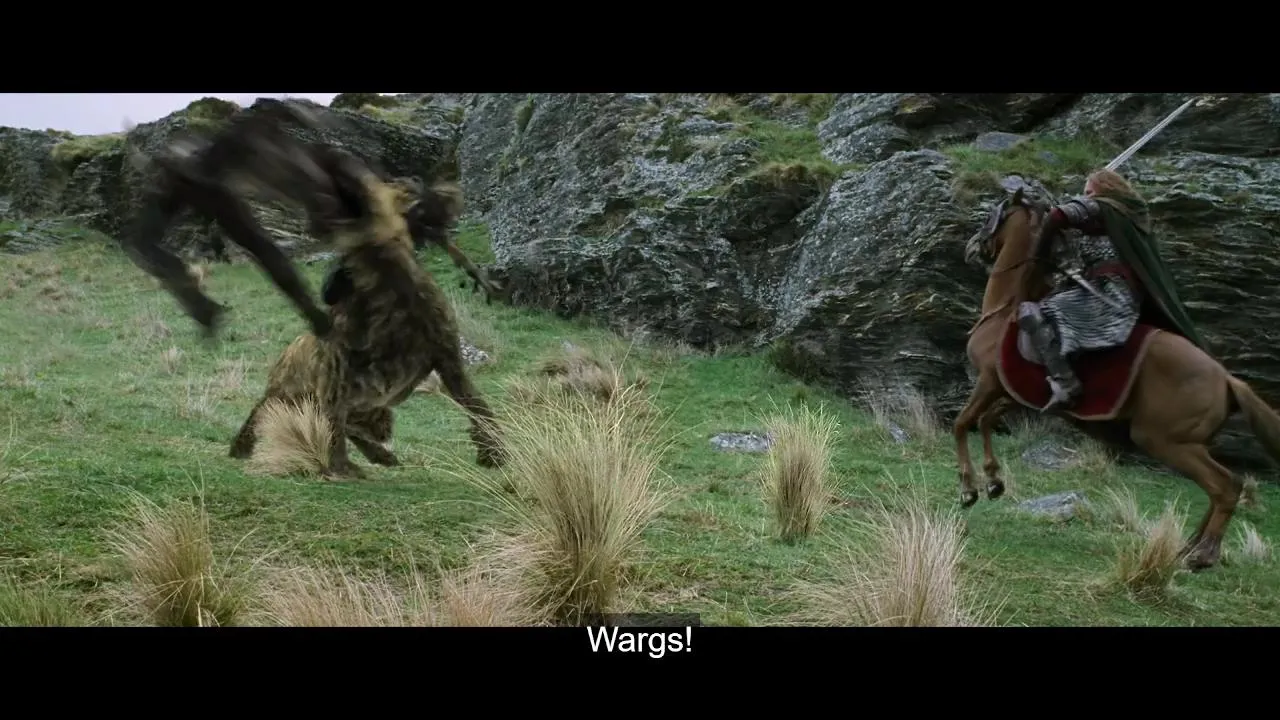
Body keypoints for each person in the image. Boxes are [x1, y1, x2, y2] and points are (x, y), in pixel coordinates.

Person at [1017, 168, 1209, 412]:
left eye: (1089, 192)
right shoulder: (1121, 215)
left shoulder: (1106, 206)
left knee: (1035, 312)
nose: (1086, 196)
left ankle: (1066, 383)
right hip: (1108, 288)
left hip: (1109, 293)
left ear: (1105, 189)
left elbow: (1058, 216)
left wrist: (1036, 257)